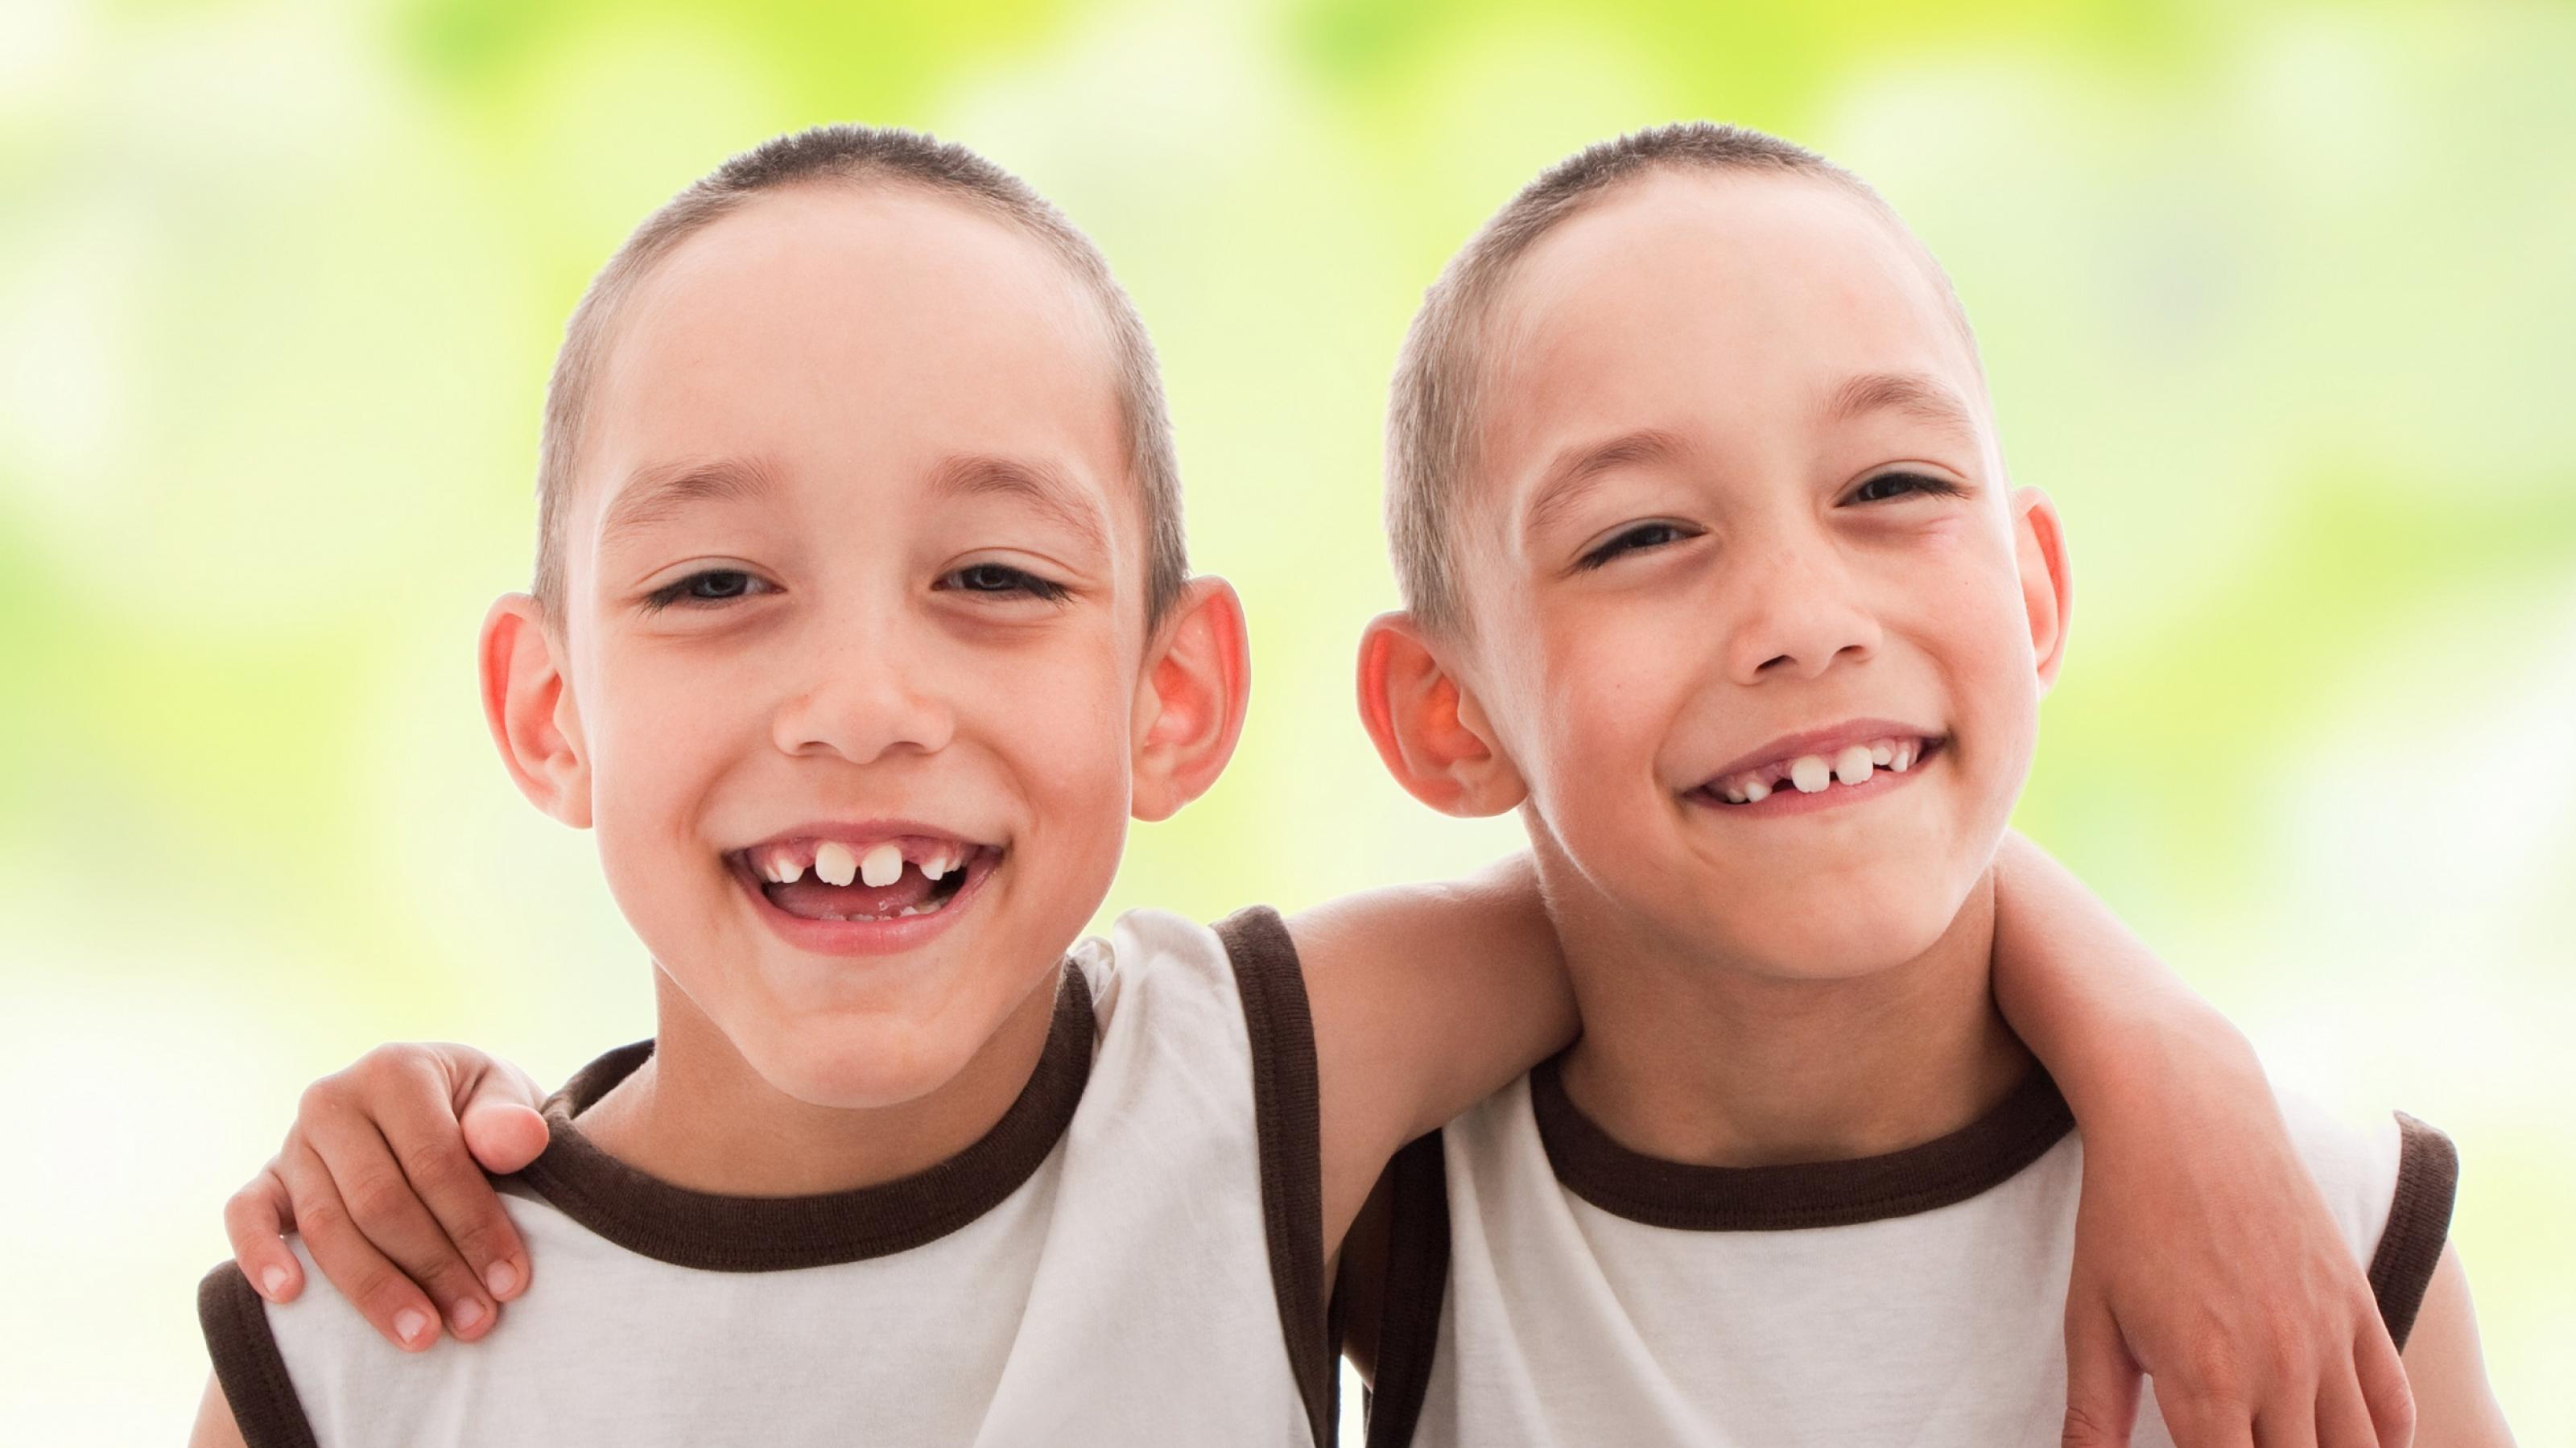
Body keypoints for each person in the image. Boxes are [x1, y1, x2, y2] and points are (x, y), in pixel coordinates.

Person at [204, 122, 2421, 1448]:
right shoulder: (362, 1327)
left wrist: (2167, 1072)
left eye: (989, 573)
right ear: (546, 706)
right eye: (712, 581)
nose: (860, 699)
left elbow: (1713, 878)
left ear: (1175, 697)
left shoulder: (1253, 1083)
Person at [1342, 121, 2514, 1446]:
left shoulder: (2321, 1237)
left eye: (1894, 482)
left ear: (2033, 594)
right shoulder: (1378, 1203)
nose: (1806, 616)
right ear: (1449, 715)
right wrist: (2149, 1040)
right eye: (1643, 533)